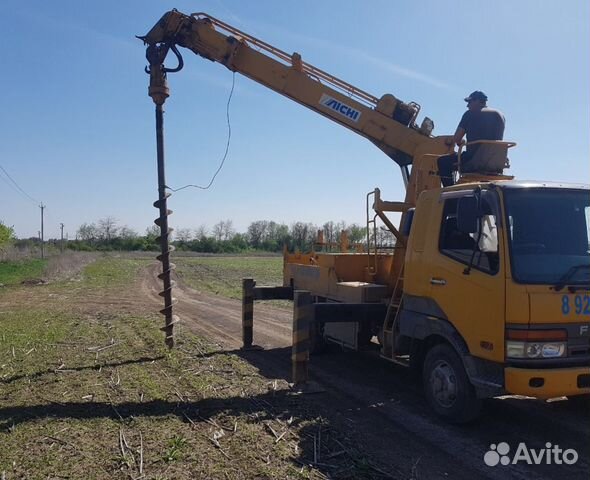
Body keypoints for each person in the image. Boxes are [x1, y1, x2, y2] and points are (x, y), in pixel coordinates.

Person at [438, 91, 506, 187]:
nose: (467, 106)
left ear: (477, 101)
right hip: (496, 162)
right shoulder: (500, 115)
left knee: (442, 161)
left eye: (469, 102)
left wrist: (461, 142)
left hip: (474, 160)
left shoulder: (470, 114)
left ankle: (449, 195)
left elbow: (457, 138)